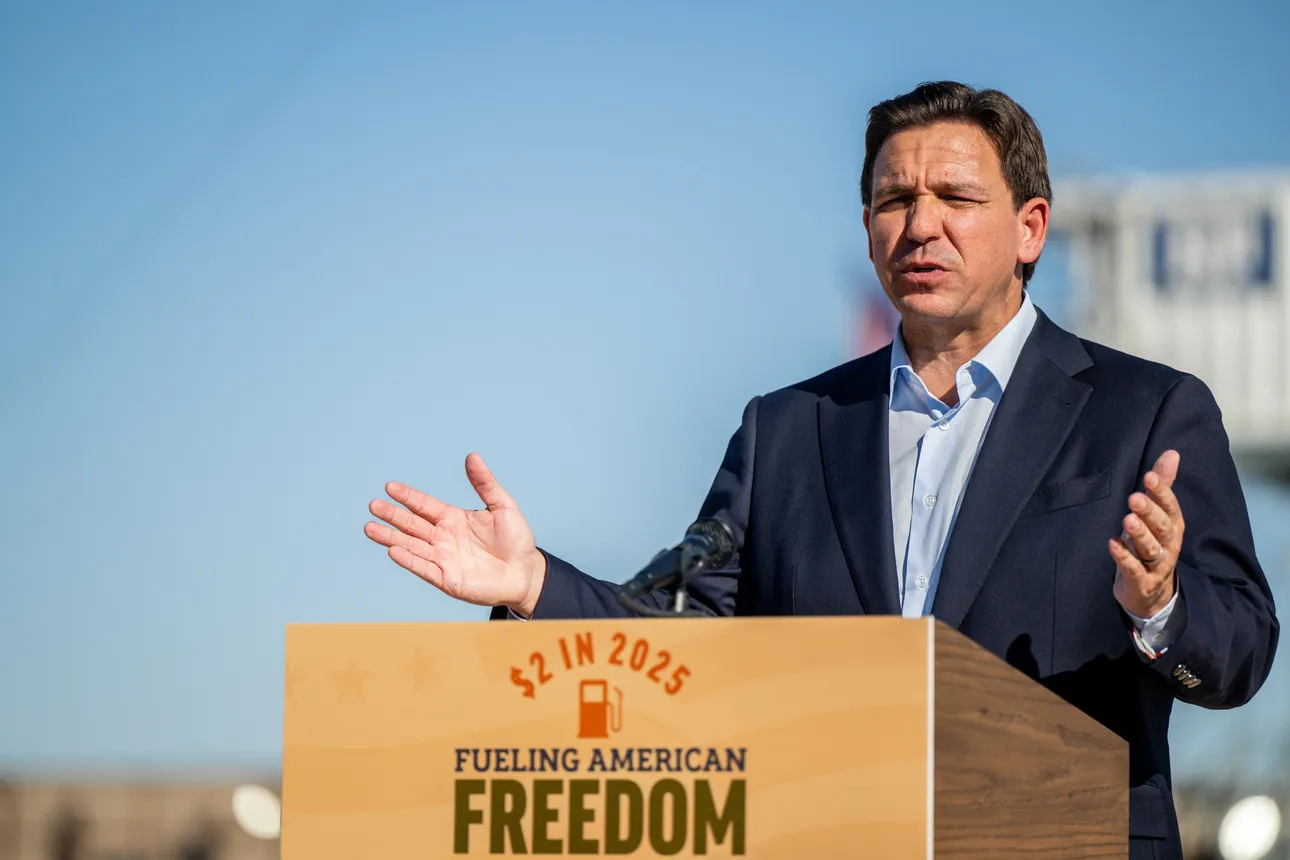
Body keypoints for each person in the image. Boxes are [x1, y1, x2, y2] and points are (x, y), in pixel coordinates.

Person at [364, 81, 1279, 859]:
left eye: (955, 198)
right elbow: (684, 627)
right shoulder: (787, 430)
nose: (921, 225)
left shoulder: (1145, 409)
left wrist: (1159, 605)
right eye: (893, 201)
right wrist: (533, 586)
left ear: (1030, 227)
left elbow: (1241, 648)